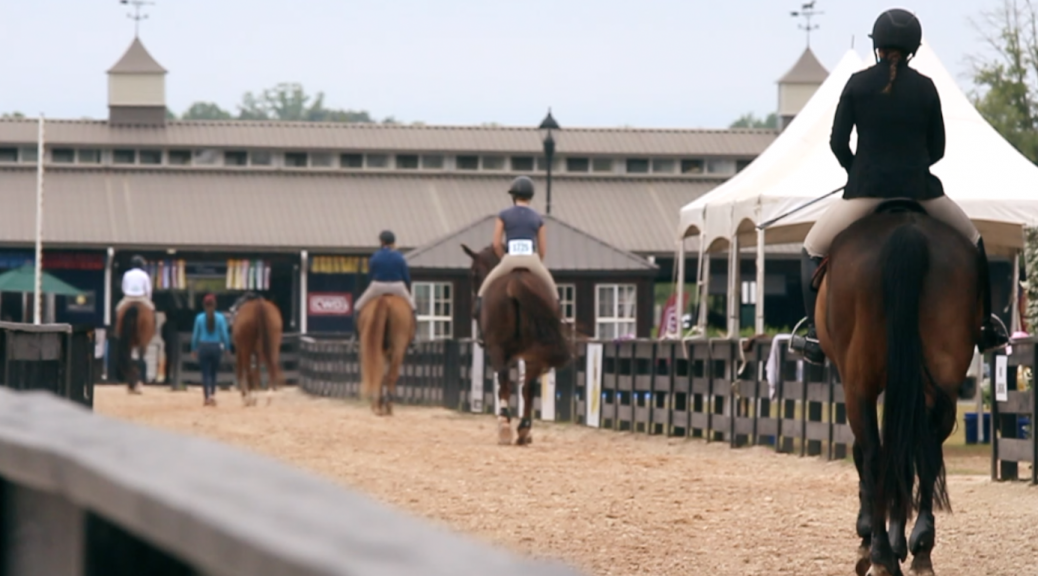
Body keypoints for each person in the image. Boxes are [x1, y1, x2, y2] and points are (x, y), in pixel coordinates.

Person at [791, 8, 1009, 365]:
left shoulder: (857, 84)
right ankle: (986, 326)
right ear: (913, 50)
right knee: (974, 242)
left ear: (876, 46)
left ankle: (814, 335)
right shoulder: (925, 87)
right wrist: (912, 168)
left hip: (864, 194)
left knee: (811, 250)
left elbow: (837, 142)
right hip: (922, 193)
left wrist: (857, 171)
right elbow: (938, 148)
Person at [473, 175, 560, 345]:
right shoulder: (538, 218)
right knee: (554, 294)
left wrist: (503, 259)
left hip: (510, 259)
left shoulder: (503, 215)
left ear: (513, 196)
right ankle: (558, 328)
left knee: (483, 292)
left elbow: (497, 244)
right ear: (530, 196)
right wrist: (536, 263)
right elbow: (542, 249)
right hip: (532, 260)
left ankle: (481, 332)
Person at [353, 230, 416, 336]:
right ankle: (415, 337)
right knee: (413, 309)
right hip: (397, 286)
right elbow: (406, 277)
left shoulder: (375, 256)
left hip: (378, 286)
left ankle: (356, 336)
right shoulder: (399, 257)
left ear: (382, 242)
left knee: (357, 307)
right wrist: (407, 286)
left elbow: (371, 276)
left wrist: (370, 287)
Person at [191, 293, 231, 406]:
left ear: (204, 305)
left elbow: (195, 335)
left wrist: (194, 348)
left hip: (203, 346)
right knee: (213, 373)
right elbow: (224, 334)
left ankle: (206, 397)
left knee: (205, 373)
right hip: (216, 347)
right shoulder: (220, 318)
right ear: (215, 305)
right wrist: (227, 347)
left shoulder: (199, 318)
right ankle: (213, 394)